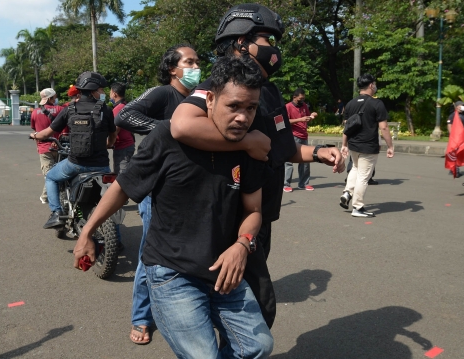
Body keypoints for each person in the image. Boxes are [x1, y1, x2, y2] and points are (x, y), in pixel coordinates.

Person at [74, 56, 273, 359]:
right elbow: (123, 188)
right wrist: (87, 231)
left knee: (259, 346)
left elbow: (253, 210)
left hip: (223, 271)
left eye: (251, 108)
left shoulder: (250, 147)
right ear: (210, 99)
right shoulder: (167, 137)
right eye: (234, 106)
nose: (243, 118)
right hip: (172, 273)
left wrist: (242, 245)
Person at [170, 3, 345, 329]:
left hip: (261, 214)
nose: (274, 50)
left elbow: (281, 148)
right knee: (256, 306)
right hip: (230, 216)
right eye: (266, 39)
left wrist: (319, 152)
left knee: (242, 299)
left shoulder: (268, 91)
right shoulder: (221, 84)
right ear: (240, 42)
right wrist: (245, 142)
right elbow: (182, 124)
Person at [115, 44, 201, 345]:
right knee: (149, 256)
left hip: (187, 189)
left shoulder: (196, 98)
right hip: (156, 188)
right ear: (172, 69)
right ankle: (141, 318)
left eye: (197, 62)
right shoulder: (164, 94)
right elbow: (125, 115)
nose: (195, 67)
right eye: (189, 62)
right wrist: (168, 128)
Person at [29, 71, 116, 229]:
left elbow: (48, 133)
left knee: (51, 178)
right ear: (93, 90)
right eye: (101, 90)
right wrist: (109, 144)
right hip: (101, 165)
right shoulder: (105, 110)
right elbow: (113, 133)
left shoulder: (70, 109)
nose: (103, 93)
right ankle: (117, 236)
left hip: (76, 163)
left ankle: (56, 213)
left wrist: (34, 135)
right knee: (109, 203)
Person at [339, 73, 394, 218]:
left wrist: (344, 144)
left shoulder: (350, 104)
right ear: (371, 85)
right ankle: (358, 207)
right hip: (368, 146)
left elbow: (347, 127)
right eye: (374, 84)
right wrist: (390, 146)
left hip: (353, 145)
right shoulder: (377, 103)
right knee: (363, 176)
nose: (375, 86)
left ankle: (347, 192)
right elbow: (384, 127)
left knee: (356, 169)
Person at [30, 88, 65, 204]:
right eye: (54, 97)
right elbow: (65, 128)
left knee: (49, 175)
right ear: (50, 98)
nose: (55, 99)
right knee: (61, 172)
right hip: (60, 146)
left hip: (44, 147)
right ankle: (51, 196)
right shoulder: (60, 109)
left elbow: (36, 132)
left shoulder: (35, 112)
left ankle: (46, 196)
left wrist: (38, 146)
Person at [284, 88, 317, 192]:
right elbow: (285, 121)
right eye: (300, 99)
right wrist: (300, 119)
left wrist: (312, 116)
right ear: (294, 97)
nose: (302, 101)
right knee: (289, 160)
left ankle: (303, 183)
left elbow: (307, 117)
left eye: (303, 99)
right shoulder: (288, 106)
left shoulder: (304, 106)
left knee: (305, 160)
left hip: (304, 135)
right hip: (293, 136)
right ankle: (286, 184)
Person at [110, 82, 134, 174]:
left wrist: (108, 143)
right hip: (127, 145)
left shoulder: (118, 109)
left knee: (121, 177)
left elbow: (115, 130)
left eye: (110, 92)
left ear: (114, 94)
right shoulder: (125, 105)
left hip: (123, 147)